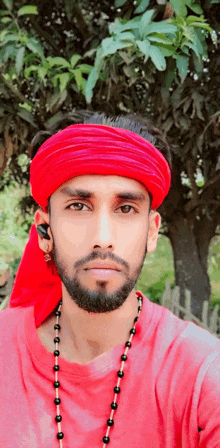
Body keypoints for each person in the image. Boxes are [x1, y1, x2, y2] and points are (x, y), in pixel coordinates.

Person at [0, 113, 220, 448]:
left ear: (151, 231)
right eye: (78, 206)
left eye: (126, 209)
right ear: (45, 230)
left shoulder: (202, 374)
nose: (103, 238)